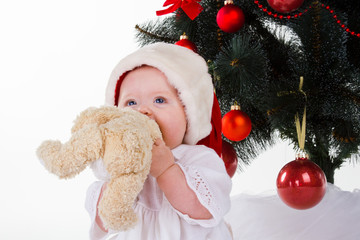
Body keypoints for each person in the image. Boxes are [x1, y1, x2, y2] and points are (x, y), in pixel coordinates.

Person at [85, 42, 232, 240]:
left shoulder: (200, 158)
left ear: (188, 114)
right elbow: (104, 223)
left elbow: (205, 211)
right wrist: (118, 180)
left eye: (159, 100)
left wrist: (166, 170)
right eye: (131, 103)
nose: (142, 111)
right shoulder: (114, 165)